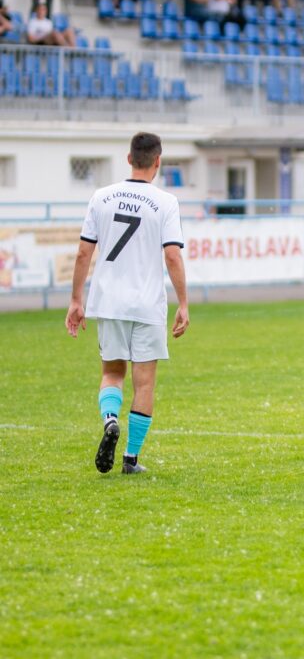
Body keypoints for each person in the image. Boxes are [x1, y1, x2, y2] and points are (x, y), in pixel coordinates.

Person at [65, 132, 190, 475]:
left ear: (128, 158)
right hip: (147, 304)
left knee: (111, 372)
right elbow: (173, 257)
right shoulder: (165, 202)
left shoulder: (101, 197)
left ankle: (110, 420)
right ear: (158, 161)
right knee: (144, 381)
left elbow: (82, 252)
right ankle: (131, 460)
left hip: (108, 302)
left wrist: (76, 299)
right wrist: (183, 302)